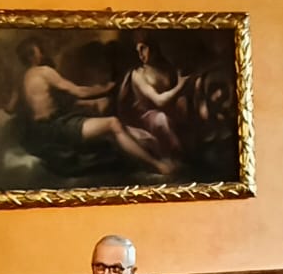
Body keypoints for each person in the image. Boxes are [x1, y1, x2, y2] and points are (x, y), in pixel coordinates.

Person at [16, 38, 176, 178]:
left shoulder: (22, 79)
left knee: (100, 127)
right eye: (40, 50)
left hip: (39, 132)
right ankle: (157, 166)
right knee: (112, 124)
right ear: (33, 55)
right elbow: (78, 91)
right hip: (55, 128)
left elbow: (13, 108)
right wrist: (105, 88)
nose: (44, 53)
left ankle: (140, 160)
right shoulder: (44, 72)